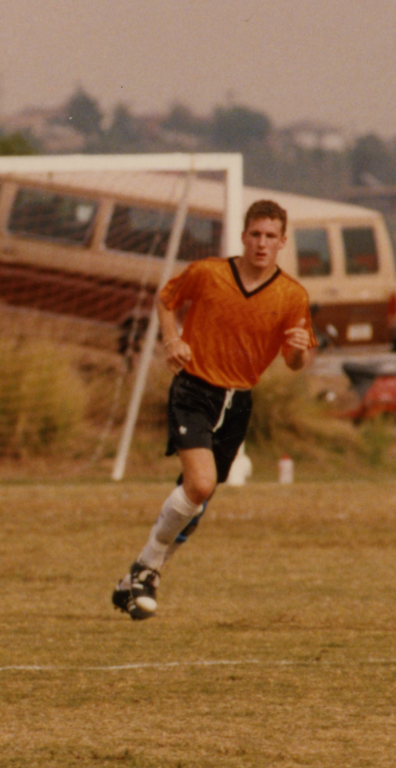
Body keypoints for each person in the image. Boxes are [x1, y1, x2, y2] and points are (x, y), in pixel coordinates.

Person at [112, 199, 315, 620]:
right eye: (255, 234)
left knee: (195, 505)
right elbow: (166, 300)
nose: (261, 243)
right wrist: (171, 341)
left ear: (282, 242)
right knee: (200, 485)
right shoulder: (208, 273)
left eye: (270, 236)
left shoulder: (292, 295)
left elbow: (296, 362)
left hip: (238, 402)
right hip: (194, 390)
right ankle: (146, 568)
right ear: (243, 237)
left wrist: (297, 353)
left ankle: (134, 579)